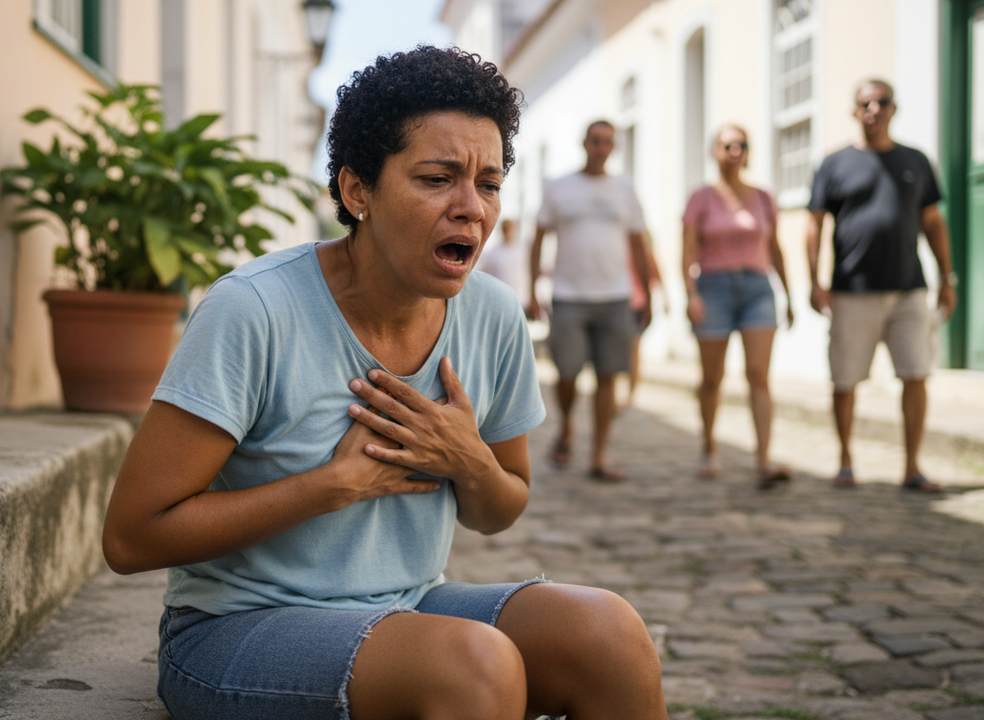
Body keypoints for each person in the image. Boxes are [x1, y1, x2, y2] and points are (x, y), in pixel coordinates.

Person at [102, 46, 667, 720]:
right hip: (235, 627)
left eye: (488, 183)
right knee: (473, 668)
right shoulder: (254, 310)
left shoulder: (492, 315)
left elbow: (500, 506)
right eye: (437, 179)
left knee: (610, 635)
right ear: (356, 191)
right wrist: (328, 487)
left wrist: (468, 461)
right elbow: (131, 538)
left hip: (409, 605)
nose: (471, 209)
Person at [806, 79, 956, 492]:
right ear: (855, 111)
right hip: (852, 291)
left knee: (915, 374)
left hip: (909, 290)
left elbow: (932, 223)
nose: (873, 109)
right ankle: (845, 460)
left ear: (893, 108)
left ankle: (912, 466)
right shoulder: (834, 163)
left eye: (881, 102)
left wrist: (947, 278)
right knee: (845, 380)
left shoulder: (916, 160)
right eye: (864, 103)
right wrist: (814, 281)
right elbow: (814, 224)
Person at [528, 120, 652, 480]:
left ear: (613, 147)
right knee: (566, 374)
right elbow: (538, 238)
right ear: (585, 143)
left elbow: (638, 243)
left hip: (615, 295)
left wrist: (647, 292)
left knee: (608, 377)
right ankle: (567, 424)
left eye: (607, 142)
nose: (601, 148)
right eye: (595, 141)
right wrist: (535, 288)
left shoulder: (625, 188)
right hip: (568, 296)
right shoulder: (559, 187)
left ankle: (598, 456)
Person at [681, 125, 794, 489]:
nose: (735, 151)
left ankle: (763, 459)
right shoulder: (701, 198)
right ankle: (709, 445)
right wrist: (691, 294)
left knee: (759, 375)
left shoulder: (762, 197)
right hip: (713, 288)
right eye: (727, 145)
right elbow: (687, 252)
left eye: (741, 145)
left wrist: (789, 294)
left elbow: (775, 248)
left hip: (758, 289)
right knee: (712, 379)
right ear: (714, 151)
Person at [623, 233, 665, 407]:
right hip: (620, 303)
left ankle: (631, 394)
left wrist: (662, 299)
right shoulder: (619, 251)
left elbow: (656, 275)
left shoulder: (645, 254)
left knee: (633, 351)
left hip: (637, 305)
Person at [476, 217, 529, 312]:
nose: (508, 231)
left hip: (522, 298)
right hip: (501, 299)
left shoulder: (524, 249)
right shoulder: (494, 251)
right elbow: (485, 273)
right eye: (505, 228)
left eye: (510, 228)